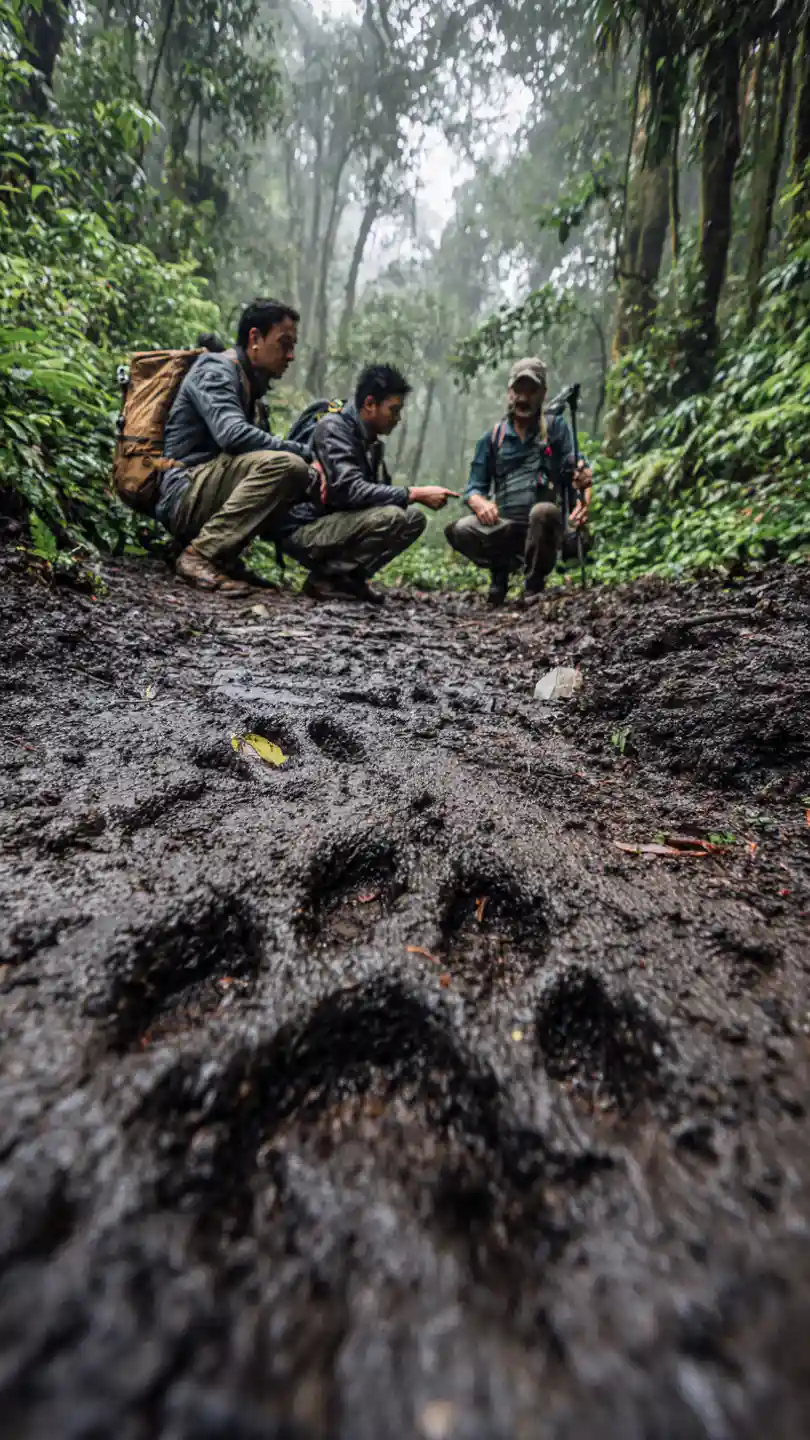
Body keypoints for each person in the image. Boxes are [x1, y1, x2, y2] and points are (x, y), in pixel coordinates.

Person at [156, 298, 316, 595]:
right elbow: (232, 435)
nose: (291, 355)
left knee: (299, 472)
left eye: (293, 346)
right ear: (255, 338)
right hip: (183, 491)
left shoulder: (249, 386)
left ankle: (223, 558)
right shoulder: (215, 370)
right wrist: (305, 454)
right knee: (287, 465)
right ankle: (199, 555)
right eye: (284, 344)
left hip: (205, 486)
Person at [273, 364, 457, 603]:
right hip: (304, 529)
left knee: (413, 519)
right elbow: (350, 490)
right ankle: (325, 578)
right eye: (393, 410)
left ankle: (349, 579)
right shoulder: (333, 429)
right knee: (392, 517)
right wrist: (414, 492)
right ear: (370, 404)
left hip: (335, 523)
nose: (397, 418)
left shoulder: (369, 442)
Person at [444, 357, 593, 606]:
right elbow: (473, 488)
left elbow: (577, 467)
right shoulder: (494, 437)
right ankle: (499, 574)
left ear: (543, 394)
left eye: (531, 391)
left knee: (544, 511)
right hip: (506, 528)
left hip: (546, 528)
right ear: (509, 393)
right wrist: (479, 502)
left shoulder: (556, 428)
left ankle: (533, 585)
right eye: (518, 390)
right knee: (462, 529)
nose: (523, 398)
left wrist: (583, 486)